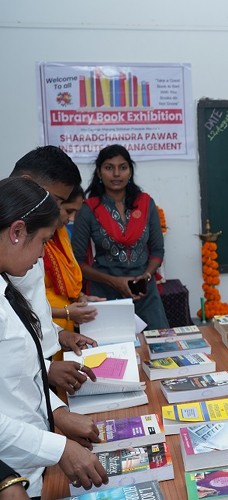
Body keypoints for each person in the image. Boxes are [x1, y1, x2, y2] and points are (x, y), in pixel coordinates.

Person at [0, 177, 108, 497]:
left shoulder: (7, 289)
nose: (44, 254)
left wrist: (57, 414)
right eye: (44, 241)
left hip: (27, 468)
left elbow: (23, 382)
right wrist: (59, 448)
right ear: (17, 231)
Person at [9, 146, 100, 397]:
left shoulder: (32, 234)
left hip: (40, 368)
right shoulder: (12, 243)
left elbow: (33, 308)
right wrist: (45, 369)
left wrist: (59, 335)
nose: (58, 211)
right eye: (57, 201)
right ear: (27, 183)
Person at [72, 144, 169, 330]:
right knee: (111, 354)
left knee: (158, 348)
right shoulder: (88, 209)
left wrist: (146, 276)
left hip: (144, 293)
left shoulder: (146, 203)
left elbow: (157, 251)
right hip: (105, 294)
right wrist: (114, 281)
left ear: (130, 172)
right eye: (109, 167)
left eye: (123, 167)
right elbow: (76, 263)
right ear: (99, 173)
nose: (116, 174)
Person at [43, 184, 99, 331]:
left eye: (76, 213)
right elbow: (25, 303)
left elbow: (66, 281)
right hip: (46, 327)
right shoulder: (33, 242)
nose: (71, 219)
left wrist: (80, 297)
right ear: (54, 204)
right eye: (69, 211)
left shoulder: (61, 235)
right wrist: (66, 312)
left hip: (63, 328)